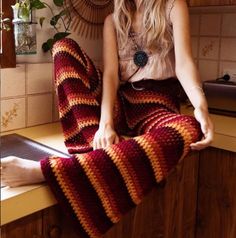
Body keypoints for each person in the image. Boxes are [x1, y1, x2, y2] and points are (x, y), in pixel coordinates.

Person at [1, 0, 213, 237]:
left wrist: (200, 107)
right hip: (121, 102)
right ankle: (96, 148)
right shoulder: (113, 20)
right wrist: (105, 124)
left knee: (188, 127)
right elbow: (111, 75)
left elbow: (184, 65)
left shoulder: (174, 6)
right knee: (63, 47)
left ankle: (49, 171)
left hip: (157, 106)